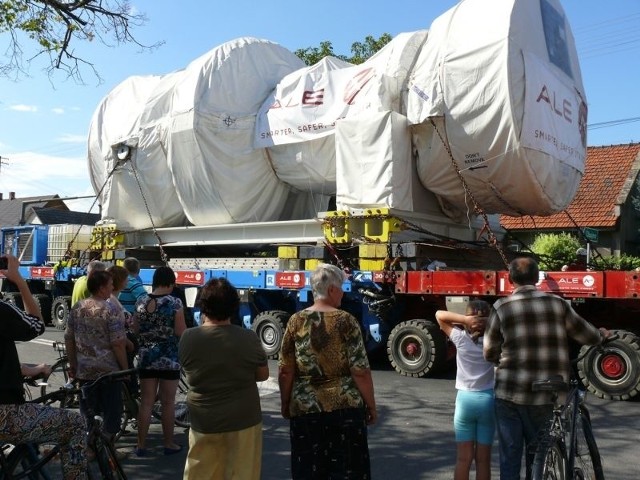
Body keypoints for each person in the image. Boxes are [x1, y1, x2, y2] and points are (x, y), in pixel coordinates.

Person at [483, 257, 608, 480]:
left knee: (510, 456)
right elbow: (586, 334)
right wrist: (602, 335)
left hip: (510, 393)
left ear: (510, 279)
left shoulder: (501, 307)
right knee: (540, 451)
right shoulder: (557, 304)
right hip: (547, 393)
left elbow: (489, 352)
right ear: (537, 277)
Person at [278, 263, 377, 479]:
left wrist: (286, 403)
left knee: (309, 471)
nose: (343, 292)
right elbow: (360, 371)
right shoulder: (346, 321)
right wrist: (371, 405)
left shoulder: (296, 321)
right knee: (348, 470)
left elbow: (286, 370)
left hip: (305, 407)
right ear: (331, 290)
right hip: (345, 408)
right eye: (341, 287)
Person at [0, 254, 88, 479]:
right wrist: (19, 281)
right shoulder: (2, 310)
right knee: (76, 424)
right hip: (6, 414)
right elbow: (37, 324)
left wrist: (26, 370)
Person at [179, 277, 269, 480]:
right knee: (242, 473)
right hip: (244, 418)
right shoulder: (249, 338)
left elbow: (189, 371)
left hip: (204, 419)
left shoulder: (188, 338)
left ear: (203, 305)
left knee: (200, 473)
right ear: (233, 306)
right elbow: (262, 375)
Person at [65, 269, 129, 444]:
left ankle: (91, 448)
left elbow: (68, 338)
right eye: (110, 285)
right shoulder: (110, 310)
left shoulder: (77, 308)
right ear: (101, 288)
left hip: (85, 371)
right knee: (111, 413)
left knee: (89, 412)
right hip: (108, 371)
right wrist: (125, 369)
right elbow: (118, 343)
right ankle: (107, 451)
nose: (112, 287)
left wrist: (73, 364)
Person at [436, 300, 495, 480]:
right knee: (483, 460)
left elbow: (439, 315)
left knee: (463, 458)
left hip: (465, 401)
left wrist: (465, 320)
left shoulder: (461, 339)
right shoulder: (494, 343)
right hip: (488, 400)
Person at [133, 265, 186, 456]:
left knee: (146, 403)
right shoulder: (175, 303)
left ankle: (141, 445)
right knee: (168, 403)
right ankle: (169, 443)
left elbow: (135, 330)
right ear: (170, 282)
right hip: (169, 359)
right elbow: (180, 332)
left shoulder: (140, 301)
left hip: (146, 358)